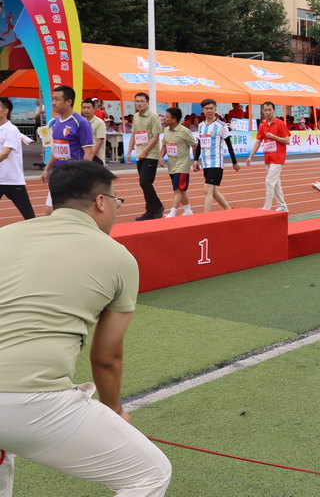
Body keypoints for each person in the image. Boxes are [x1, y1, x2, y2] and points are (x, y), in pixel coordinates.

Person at [0, 160, 172, 495]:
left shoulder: (5, 234)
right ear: (101, 201)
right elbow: (107, 357)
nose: (117, 210)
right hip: (32, 404)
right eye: (117, 201)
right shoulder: (118, 257)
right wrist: (113, 410)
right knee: (150, 474)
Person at [40, 85, 94, 214]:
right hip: (58, 175)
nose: (53, 102)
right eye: (53, 99)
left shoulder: (80, 122)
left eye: (57, 99)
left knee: (74, 213)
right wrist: (47, 169)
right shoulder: (56, 122)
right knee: (49, 212)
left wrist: (81, 175)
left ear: (69, 101)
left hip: (74, 175)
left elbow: (89, 152)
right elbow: (56, 148)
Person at [192, 98, 240, 212]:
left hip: (216, 163)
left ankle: (206, 218)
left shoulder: (221, 125)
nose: (209, 111)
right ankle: (228, 209)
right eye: (206, 108)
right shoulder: (201, 125)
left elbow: (229, 145)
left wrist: (235, 162)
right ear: (203, 110)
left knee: (207, 189)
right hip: (205, 163)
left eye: (211, 108)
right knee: (213, 191)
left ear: (215, 109)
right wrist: (195, 160)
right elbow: (200, 144)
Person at [245, 101, 290, 212]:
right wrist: (251, 155)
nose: (268, 112)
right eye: (265, 110)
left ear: (274, 110)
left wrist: (273, 136)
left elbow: (287, 140)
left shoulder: (280, 124)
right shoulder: (262, 125)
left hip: (278, 158)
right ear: (263, 111)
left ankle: (267, 207)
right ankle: (282, 206)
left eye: (270, 110)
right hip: (268, 158)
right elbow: (258, 141)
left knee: (269, 181)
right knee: (275, 183)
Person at [128, 92, 164, 221]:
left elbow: (155, 137)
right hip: (139, 155)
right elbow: (133, 134)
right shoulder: (136, 116)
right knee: (144, 184)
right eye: (137, 101)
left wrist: (145, 151)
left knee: (145, 182)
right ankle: (150, 211)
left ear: (147, 102)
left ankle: (158, 207)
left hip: (151, 155)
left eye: (142, 101)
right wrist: (129, 152)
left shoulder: (153, 117)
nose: (139, 104)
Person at [0, 97, 35, 219]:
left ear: (6, 111)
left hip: (12, 180)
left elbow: (5, 154)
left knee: (29, 216)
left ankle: (37, 234)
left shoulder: (11, 130)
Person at [160, 107, 196, 217]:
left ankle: (173, 212)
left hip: (182, 166)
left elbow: (194, 146)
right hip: (172, 165)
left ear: (174, 119)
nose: (164, 119)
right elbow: (165, 145)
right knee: (182, 189)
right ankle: (188, 210)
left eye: (166, 117)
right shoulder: (166, 130)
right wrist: (161, 157)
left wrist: (195, 160)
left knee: (178, 189)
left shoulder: (185, 131)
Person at [81, 98, 106, 165]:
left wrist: (90, 157)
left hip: (96, 157)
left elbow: (99, 141)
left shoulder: (100, 122)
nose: (86, 110)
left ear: (94, 109)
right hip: (82, 156)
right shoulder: (80, 122)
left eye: (88, 108)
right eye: (84, 108)